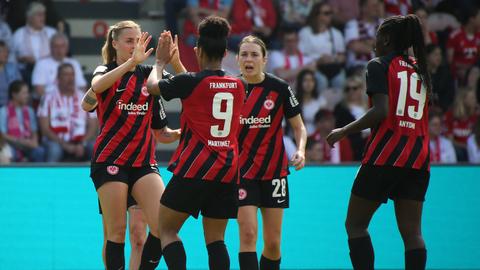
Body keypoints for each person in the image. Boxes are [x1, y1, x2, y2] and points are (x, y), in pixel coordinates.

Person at [326, 15, 432, 270]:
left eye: (376, 36)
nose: (373, 42)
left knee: (355, 225)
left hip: (385, 155)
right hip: (418, 159)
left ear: (385, 38)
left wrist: (344, 130)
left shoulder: (378, 65)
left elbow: (381, 111)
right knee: (413, 234)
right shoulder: (422, 69)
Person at [146, 16, 245, 270]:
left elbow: (153, 87)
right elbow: (201, 91)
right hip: (227, 170)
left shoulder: (190, 82)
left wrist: (159, 62)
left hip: (194, 167)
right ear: (225, 52)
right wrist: (178, 64)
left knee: (166, 229)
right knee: (216, 241)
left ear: (198, 50)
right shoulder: (238, 86)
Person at [87, 20, 181, 270]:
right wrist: (131, 62)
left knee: (163, 227)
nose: (134, 45)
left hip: (143, 163)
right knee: (116, 232)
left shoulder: (149, 78)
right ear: (114, 43)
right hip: (110, 161)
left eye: (137, 40)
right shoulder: (104, 70)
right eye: (129, 41)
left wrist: (174, 62)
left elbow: (189, 89)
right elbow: (96, 87)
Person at [236, 35, 307, 270]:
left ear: (264, 60)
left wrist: (301, 150)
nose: (249, 59)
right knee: (247, 236)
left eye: (254, 54)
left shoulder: (280, 88)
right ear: (237, 59)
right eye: (244, 54)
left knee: (274, 243)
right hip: (242, 173)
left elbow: (299, 127)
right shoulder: (231, 88)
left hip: (275, 173)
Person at [37, 63, 96, 162]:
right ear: (58, 78)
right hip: (56, 141)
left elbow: (93, 125)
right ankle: (49, 177)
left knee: (95, 147)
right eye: (66, 75)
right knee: (55, 150)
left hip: (81, 141)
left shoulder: (85, 97)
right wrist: (65, 145)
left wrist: (82, 143)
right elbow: (45, 129)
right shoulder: (48, 98)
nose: (70, 78)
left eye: (72, 74)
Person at [0, 80, 45, 162]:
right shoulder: (3, 111)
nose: (27, 96)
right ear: (14, 94)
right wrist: (20, 141)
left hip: (27, 143)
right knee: (10, 154)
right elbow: (2, 135)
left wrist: (34, 142)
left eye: (27, 93)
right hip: (11, 144)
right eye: (24, 93)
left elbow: (34, 131)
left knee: (39, 151)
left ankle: (38, 175)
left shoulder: (29, 111)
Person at [32, 33, 87, 98]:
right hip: (50, 102)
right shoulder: (41, 64)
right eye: (56, 46)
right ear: (50, 47)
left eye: (62, 46)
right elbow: (39, 90)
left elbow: (82, 87)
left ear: (67, 48)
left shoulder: (74, 63)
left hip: (72, 101)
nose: (59, 50)